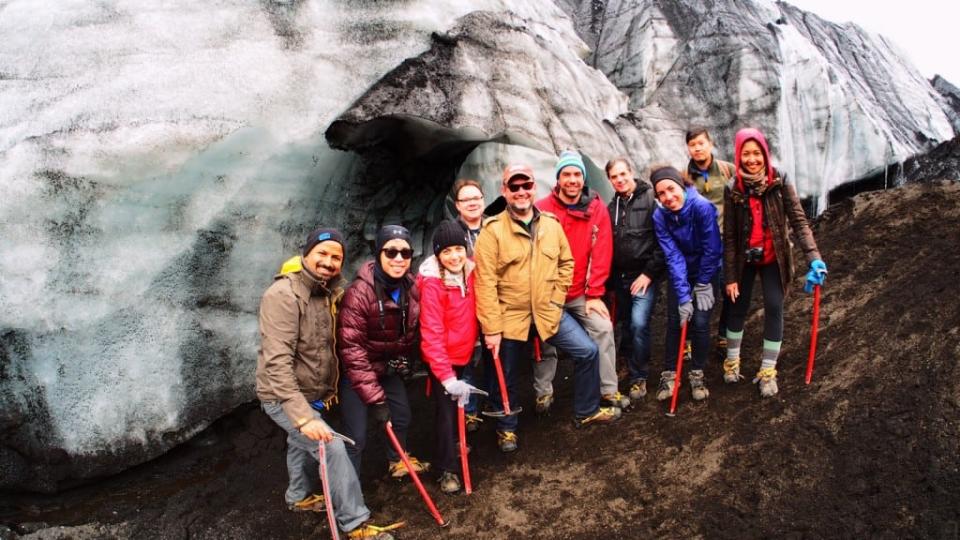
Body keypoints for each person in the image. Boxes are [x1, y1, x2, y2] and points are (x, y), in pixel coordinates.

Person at [256, 227, 400, 540]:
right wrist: (304, 416)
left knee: (299, 442)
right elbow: (276, 363)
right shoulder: (283, 295)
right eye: (322, 253)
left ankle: (298, 497)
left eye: (336, 257)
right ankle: (354, 523)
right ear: (305, 254)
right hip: (283, 397)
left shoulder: (328, 292)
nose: (329, 261)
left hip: (312, 394)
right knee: (330, 446)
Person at [474, 163, 620, 453]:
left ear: (533, 188)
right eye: (513, 187)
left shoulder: (551, 225)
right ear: (504, 191)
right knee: (507, 370)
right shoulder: (491, 231)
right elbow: (485, 283)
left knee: (587, 351)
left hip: (547, 309)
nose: (520, 192)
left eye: (525, 185)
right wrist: (491, 328)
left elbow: (566, 263)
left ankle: (586, 410)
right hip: (510, 315)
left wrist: (556, 297)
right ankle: (506, 428)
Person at [722, 128, 827, 397]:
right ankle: (732, 361)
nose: (752, 159)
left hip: (774, 257)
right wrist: (730, 276)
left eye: (757, 153)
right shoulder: (733, 187)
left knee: (774, 306)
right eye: (746, 154)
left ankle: (768, 370)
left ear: (765, 154)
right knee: (737, 306)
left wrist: (814, 258)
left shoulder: (779, 181)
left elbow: (798, 221)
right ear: (738, 155)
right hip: (744, 259)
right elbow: (731, 235)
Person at [533, 151, 627, 413]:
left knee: (603, 328)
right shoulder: (542, 209)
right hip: (549, 294)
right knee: (546, 338)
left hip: (580, 294)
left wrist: (595, 293)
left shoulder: (596, 208)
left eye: (577, 174)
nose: (572, 180)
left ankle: (608, 389)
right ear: (558, 178)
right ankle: (543, 392)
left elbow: (602, 252)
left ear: (583, 178)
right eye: (567, 174)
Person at [338, 225, 429, 477]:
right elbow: (352, 351)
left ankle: (396, 460)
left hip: (386, 366)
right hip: (358, 372)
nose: (399, 259)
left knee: (401, 417)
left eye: (405, 252)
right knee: (355, 437)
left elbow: (411, 332)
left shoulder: (410, 288)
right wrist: (377, 400)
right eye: (391, 252)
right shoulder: (358, 294)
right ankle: (347, 497)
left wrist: (408, 363)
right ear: (378, 253)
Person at [417, 220, 484, 494]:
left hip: (464, 353)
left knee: (458, 406)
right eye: (446, 252)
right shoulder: (433, 284)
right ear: (437, 255)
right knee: (445, 413)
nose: (454, 256)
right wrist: (446, 376)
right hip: (442, 358)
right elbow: (431, 333)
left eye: (458, 249)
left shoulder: (470, 272)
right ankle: (446, 470)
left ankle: (456, 442)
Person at [651, 166, 722, 402]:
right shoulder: (660, 216)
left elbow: (712, 249)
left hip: (706, 270)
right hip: (680, 272)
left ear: (681, 185)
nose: (668, 197)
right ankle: (670, 373)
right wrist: (683, 296)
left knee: (700, 322)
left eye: (671, 189)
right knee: (676, 320)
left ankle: (697, 373)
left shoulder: (701, 207)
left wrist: (702, 284)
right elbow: (673, 256)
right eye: (661, 193)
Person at [605, 157, 664, 401]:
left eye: (622, 174)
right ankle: (628, 364)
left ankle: (639, 376)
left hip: (644, 276)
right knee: (627, 324)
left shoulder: (651, 200)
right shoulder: (611, 208)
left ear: (631, 172)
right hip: (620, 277)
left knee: (639, 323)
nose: (619, 180)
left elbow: (663, 243)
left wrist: (648, 274)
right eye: (614, 177)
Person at [684, 127, 735, 356]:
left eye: (701, 143)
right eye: (693, 144)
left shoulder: (727, 169)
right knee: (697, 290)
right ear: (688, 148)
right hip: (698, 246)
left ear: (710, 143)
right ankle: (692, 338)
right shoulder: (684, 176)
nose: (697, 148)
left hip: (725, 241)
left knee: (729, 289)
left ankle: (724, 334)